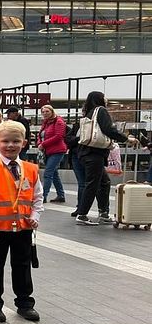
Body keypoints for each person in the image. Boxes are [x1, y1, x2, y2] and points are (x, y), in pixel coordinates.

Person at [0, 120, 43, 323]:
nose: (10, 145)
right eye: (5, 141)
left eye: (16, 141)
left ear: (24, 143)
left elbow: (37, 197)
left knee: (22, 266)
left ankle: (25, 303)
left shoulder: (31, 169)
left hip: (23, 228)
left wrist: (35, 217)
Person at [75, 92, 137, 225]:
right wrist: (126, 139)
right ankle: (82, 214)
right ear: (99, 99)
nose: (106, 99)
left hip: (87, 152)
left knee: (104, 182)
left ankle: (103, 212)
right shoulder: (101, 110)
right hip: (94, 153)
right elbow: (109, 129)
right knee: (92, 184)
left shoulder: (89, 112)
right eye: (104, 97)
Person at [36, 105, 67, 203]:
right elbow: (40, 135)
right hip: (47, 151)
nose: (45, 113)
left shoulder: (59, 121)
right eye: (43, 112)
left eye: (47, 111)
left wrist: (43, 144)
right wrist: (39, 143)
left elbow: (59, 136)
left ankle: (43, 196)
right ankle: (60, 195)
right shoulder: (45, 123)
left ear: (52, 111)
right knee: (54, 173)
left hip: (57, 150)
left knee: (48, 173)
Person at [65, 116, 85, 217]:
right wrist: (79, 138)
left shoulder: (98, 125)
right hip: (76, 155)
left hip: (90, 156)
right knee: (82, 183)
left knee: (98, 185)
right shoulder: (77, 125)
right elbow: (68, 139)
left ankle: (103, 210)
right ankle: (80, 208)